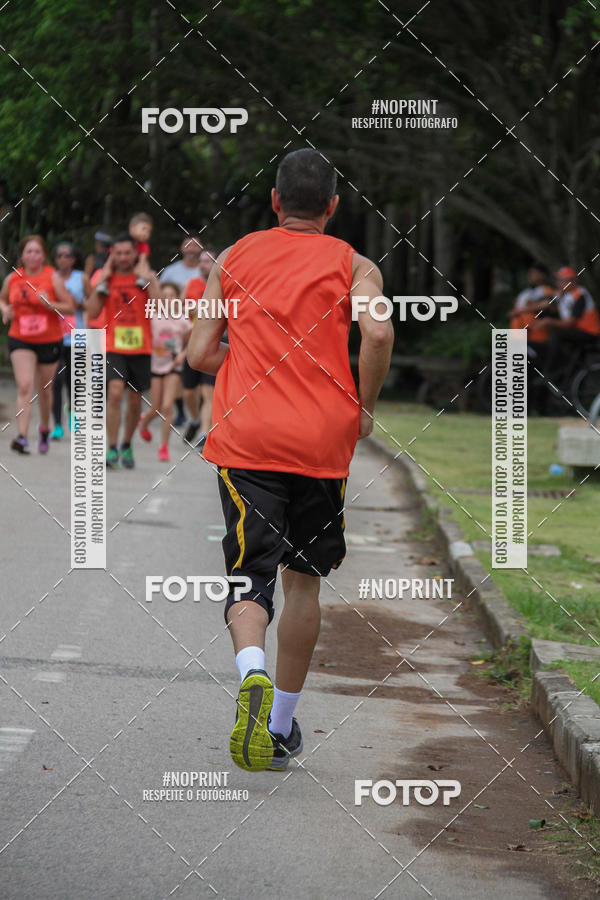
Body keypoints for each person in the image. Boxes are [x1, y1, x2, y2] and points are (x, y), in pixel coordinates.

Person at [187, 148, 394, 772]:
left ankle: (249, 670)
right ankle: (279, 725)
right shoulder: (356, 264)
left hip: (247, 438)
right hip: (320, 443)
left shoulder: (232, 258)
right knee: (304, 580)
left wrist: (256, 371)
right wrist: (363, 404)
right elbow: (379, 333)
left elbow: (199, 352)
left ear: (274, 202)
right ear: (332, 207)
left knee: (250, 571)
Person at [86, 233, 160, 468]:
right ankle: (112, 447)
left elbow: (161, 307)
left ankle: (127, 444)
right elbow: (92, 312)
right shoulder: (105, 278)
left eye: (128, 252)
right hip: (114, 346)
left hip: (141, 347)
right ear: (112, 255)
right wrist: (100, 283)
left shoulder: (145, 277)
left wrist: (151, 281)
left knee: (135, 400)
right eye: (118, 253)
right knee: (115, 392)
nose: (123, 257)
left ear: (135, 254)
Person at [0, 235, 75, 454]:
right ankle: (22, 436)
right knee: (24, 385)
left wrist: (52, 304)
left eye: (37, 252)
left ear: (44, 255)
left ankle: (44, 427)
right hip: (20, 337)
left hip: (48, 340)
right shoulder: (14, 278)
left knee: (45, 389)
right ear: (22, 254)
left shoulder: (52, 277)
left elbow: (70, 306)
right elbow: (2, 298)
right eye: (28, 252)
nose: (32, 256)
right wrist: (4, 309)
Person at [138, 281, 192, 461]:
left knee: (167, 406)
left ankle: (164, 447)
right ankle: (144, 423)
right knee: (155, 408)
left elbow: (190, 341)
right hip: (155, 366)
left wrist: (182, 355)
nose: (168, 299)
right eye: (165, 295)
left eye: (172, 296)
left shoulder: (183, 319)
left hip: (173, 366)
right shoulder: (152, 316)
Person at [50, 242, 91, 439]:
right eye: (59, 255)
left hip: (78, 334)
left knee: (74, 382)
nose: (62, 259)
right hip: (54, 335)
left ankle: (73, 414)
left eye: (67, 255)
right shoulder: (51, 278)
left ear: (73, 259)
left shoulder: (81, 278)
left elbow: (94, 305)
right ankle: (57, 424)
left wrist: (79, 304)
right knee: (55, 381)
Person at [181, 248, 217, 447]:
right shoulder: (190, 285)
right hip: (190, 344)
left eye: (209, 261)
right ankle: (194, 419)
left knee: (208, 392)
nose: (204, 264)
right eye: (202, 261)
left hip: (213, 343)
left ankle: (204, 434)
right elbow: (176, 312)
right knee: (188, 392)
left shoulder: (222, 286)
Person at [541, 266, 600, 382]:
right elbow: (545, 303)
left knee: (558, 335)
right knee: (575, 364)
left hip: (589, 333)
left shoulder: (580, 294)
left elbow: (569, 323)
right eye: (558, 280)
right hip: (577, 332)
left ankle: (550, 371)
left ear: (572, 281)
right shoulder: (564, 295)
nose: (559, 283)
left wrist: (549, 321)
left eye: (562, 281)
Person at [509, 262, 556, 354]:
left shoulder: (546, 290)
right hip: (520, 330)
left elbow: (548, 304)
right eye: (529, 273)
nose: (530, 276)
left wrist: (524, 309)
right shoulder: (524, 293)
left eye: (534, 273)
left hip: (537, 332)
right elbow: (514, 311)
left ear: (543, 276)